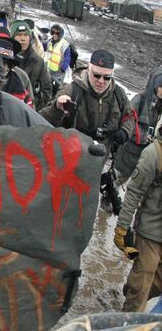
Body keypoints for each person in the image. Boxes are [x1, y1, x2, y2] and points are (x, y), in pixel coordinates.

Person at [40, 49, 134, 214]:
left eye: (107, 77)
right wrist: (57, 108)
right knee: (59, 208)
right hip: (69, 164)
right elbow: (43, 122)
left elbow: (130, 117)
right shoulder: (72, 91)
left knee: (84, 211)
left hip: (97, 165)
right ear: (88, 70)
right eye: (96, 75)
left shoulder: (119, 95)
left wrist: (125, 132)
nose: (101, 81)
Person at [114, 130, 162, 312]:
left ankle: (131, 289)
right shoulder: (153, 153)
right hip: (150, 234)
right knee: (140, 290)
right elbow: (133, 193)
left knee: (155, 287)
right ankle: (129, 320)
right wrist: (122, 228)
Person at [114, 68, 162, 180]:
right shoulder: (139, 100)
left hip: (146, 161)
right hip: (128, 156)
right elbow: (126, 123)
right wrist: (145, 137)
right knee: (116, 183)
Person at [11, 20, 53, 111]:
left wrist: (31, 105)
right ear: (12, 37)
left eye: (26, 35)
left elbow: (47, 90)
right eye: (19, 35)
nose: (23, 39)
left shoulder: (38, 62)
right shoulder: (6, 60)